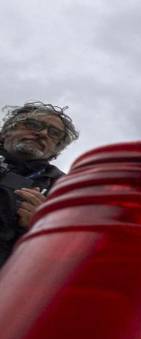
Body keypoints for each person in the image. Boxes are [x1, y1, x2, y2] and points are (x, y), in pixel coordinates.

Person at [0, 102, 79, 268]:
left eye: (54, 133)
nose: (43, 133)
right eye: (32, 124)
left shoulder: (66, 190)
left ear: (55, 151)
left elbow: (70, 257)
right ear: (5, 133)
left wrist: (41, 227)